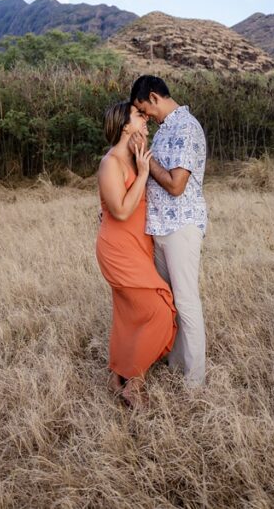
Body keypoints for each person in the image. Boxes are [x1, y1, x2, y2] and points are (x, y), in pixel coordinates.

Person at [95, 101, 177, 409]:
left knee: (130, 313)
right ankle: (135, 383)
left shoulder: (134, 156)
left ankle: (117, 376)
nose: (146, 120)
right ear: (125, 124)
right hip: (118, 249)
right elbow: (120, 211)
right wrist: (143, 173)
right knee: (160, 310)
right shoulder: (111, 163)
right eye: (139, 116)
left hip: (139, 245)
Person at [130, 75, 208, 387]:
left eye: (144, 109)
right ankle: (176, 363)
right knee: (168, 301)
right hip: (160, 226)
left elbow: (176, 185)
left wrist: (146, 159)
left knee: (186, 302)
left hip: (181, 226)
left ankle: (195, 380)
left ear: (154, 97)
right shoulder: (165, 129)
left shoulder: (185, 127)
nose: (145, 116)